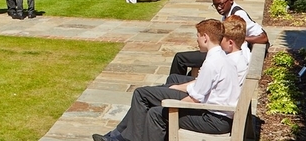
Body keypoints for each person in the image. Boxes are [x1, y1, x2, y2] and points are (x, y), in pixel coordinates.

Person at [94, 19, 240, 141]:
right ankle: (122, 137)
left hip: (214, 120)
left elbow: (195, 99)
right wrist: (175, 88)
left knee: (154, 111)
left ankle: (125, 138)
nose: (197, 40)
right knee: (152, 94)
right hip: (217, 114)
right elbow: (201, 87)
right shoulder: (222, 58)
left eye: (198, 36)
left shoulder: (212, 63)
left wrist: (172, 105)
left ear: (205, 37)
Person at [168, 0, 268, 76]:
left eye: (221, 4)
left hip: (229, 55)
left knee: (180, 58)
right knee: (192, 64)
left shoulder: (238, 15)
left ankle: (173, 86)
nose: (219, 8)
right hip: (226, 52)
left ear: (231, 0)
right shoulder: (227, 13)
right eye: (215, 5)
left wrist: (241, 38)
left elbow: (263, 37)